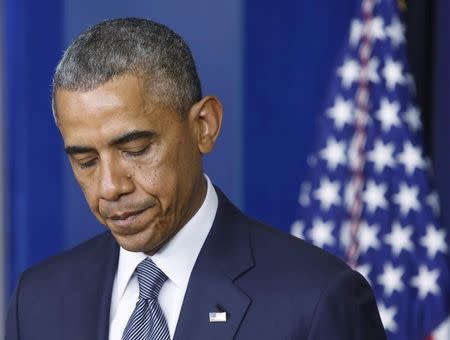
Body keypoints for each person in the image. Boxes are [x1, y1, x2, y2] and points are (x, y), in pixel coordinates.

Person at [5, 18, 386, 340]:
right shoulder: (36, 301)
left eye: (136, 150)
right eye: (86, 161)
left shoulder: (318, 300)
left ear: (205, 126)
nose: (110, 187)